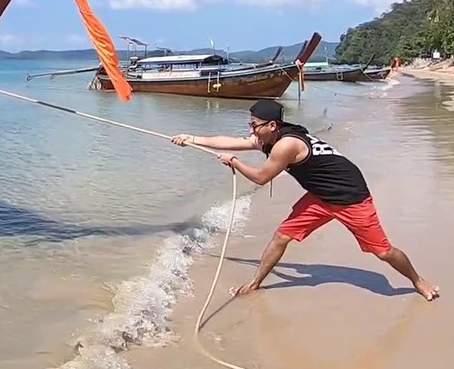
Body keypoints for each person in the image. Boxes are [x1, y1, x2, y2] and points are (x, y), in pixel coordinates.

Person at [171, 98, 439, 302]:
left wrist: (234, 163)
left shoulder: (286, 144)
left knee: (383, 252)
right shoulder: (271, 136)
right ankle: (255, 283)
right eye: (250, 124)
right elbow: (232, 142)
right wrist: (191, 138)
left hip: (350, 196)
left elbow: (261, 178)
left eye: (254, 125)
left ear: (272, 125)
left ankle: (417, 281)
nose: (251, 130)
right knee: (281, 237)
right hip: (320, 196)